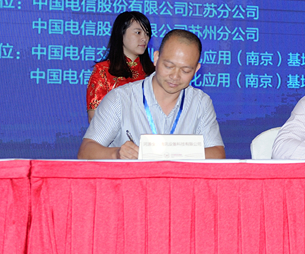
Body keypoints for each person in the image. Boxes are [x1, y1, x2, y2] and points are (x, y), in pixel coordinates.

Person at [78, 29, 225, 160]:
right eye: (169, 66)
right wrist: (116, 154)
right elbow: (85, 151)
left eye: (185, 70)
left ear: (196, 69)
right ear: (156, 58)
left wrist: (172, 153)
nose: (175, 76)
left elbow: (217, 153)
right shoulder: (121, 99)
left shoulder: (200, 102)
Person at [86, 11, 155, 122]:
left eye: (147, 33)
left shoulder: (154, 72)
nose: (144, 38)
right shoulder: (103, 70)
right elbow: (94, 117)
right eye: (138, 32)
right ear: (121, 33)